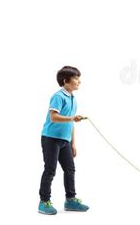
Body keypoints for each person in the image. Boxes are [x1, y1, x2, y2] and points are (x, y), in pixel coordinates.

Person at [38, 66, 89, 215]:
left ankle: (70, 200)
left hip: (64, 140)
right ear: (66, 81)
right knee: (50, 170)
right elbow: (54, 117)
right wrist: (72, 118)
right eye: (76, 78)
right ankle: (44, 202)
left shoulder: (73, 98)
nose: (79, 81)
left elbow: (71, 123)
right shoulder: (58, 96)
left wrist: (73, 143)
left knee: (70, 169)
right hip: (51, 138)